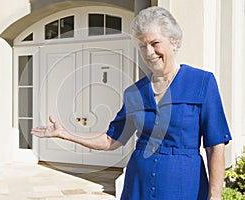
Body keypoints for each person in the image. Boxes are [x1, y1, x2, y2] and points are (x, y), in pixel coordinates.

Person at [31, 6, 232, 200]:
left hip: (183, 184)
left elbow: (215, 146)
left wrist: (215, 196)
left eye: (155, 43)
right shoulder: (135, 92)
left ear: (174, 41)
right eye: (142, 46)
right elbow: (111, 140)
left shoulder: (202, 82)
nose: (149, 52)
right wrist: (65, 133)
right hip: (138, 185)